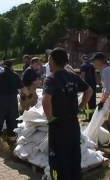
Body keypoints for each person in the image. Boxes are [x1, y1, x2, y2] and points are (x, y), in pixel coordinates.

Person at [42, 48, 93, 180]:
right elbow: (89, 91)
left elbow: (46, 101)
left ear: (52, 60)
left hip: (58, 124)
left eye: (49, 60)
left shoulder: (51, 79)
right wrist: (80, 107)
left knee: (57, 158)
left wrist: (50, 118)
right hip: (73, 123)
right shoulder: (73, 76)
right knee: (74, 154)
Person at [0, 60, 23, 148]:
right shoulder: (16, 76)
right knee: (12, 122)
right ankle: (11, 142)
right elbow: (21, 89)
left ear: (4, 66)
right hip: (13, 101)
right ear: (11, 67)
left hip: (2, 100)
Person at [80, 54, 97, 121]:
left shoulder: (83, 66)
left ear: (83, 59)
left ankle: (86, 117)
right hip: (93, 85)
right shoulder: (92, 65)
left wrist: (81, 85)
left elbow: (82, 77)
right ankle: (92, 116)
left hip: (86, 85)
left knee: (86, 100)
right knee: (93, 100)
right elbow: (95, 75)